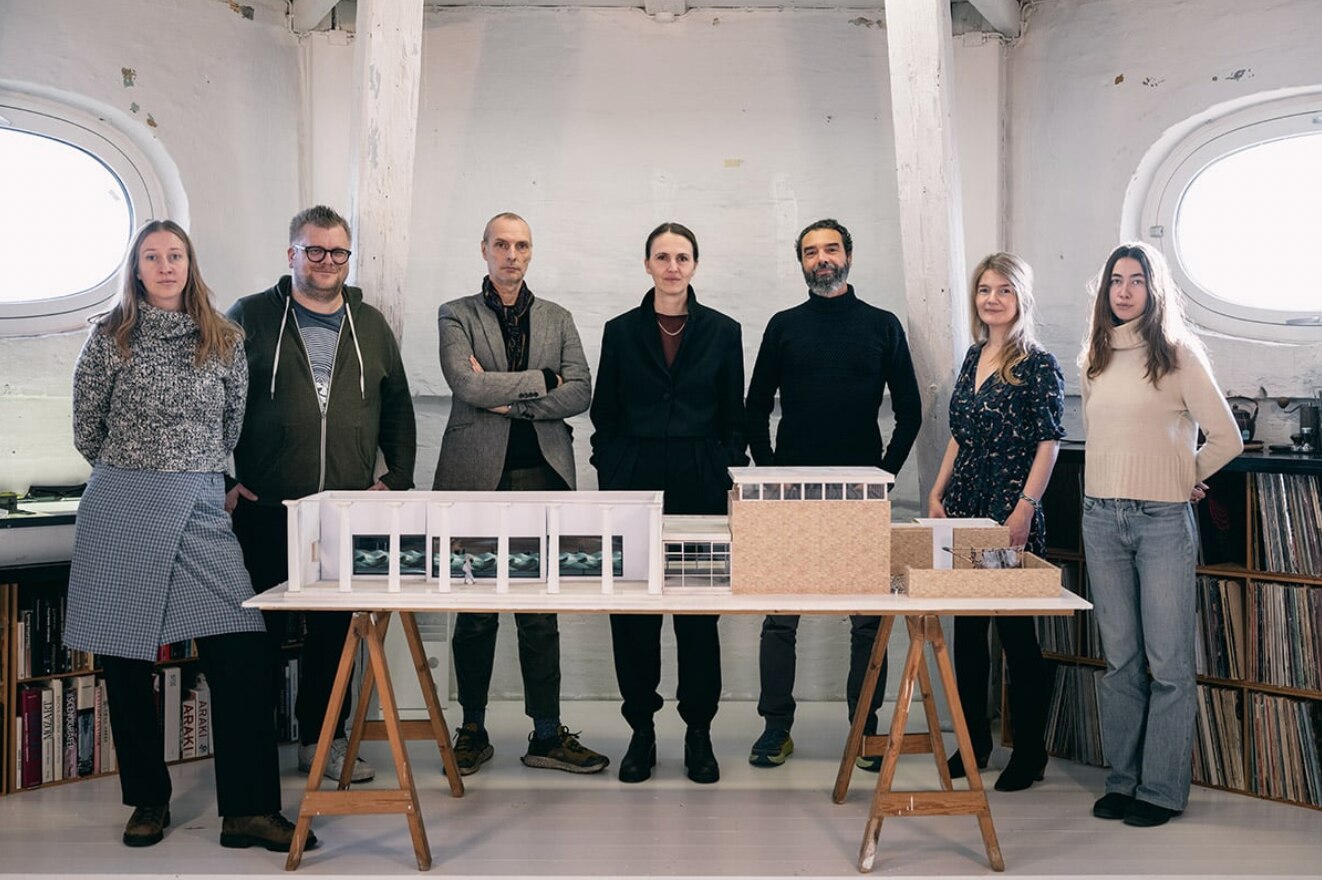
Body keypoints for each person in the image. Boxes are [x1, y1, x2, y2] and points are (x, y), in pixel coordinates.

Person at [65, 220, 311, 853]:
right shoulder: (109, 336)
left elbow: (231, 426)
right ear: (136, 268)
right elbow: (87, 429)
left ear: (189, 263)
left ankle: (249, 811)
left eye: (175, 255)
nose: (165, 266)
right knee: (125, 661)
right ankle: (148, 800)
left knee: (242, 650)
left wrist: (188, 469)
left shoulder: (223, 338)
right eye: (152, 256)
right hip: (122, 503)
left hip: (200, 502)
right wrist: (143, 466)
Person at [226, 205, 417, 785]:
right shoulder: (250, 317)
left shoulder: (371, 325)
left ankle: (323, 743)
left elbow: (398, 407)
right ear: (292, 253)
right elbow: (213, 401)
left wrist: (396, 479)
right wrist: (222, 481)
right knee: (256, 638)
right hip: (266, 509)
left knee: (334, 638)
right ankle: (254, 756)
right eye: (314, 250)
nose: (327, 261)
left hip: (344, 512)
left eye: (338, 252)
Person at [433, 212, 608, 776]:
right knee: (475, 613)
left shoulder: (558, 317)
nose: (512, 255)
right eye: (502, 244)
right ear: (484, 249)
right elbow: (466, 383)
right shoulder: (455, 313)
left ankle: (547, 734)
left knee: (539, 614)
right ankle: (472, 729)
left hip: (543, 478)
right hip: (474, 480)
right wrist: (542, 381)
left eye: (522, 246)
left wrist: (508, 401)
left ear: (531, 253)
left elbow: (580, 392)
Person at [744, 218, 922, 769]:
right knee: (780, 617)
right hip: (791, 494)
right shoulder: (783, 326)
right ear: (801, 263)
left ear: (848, 256)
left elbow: (911, 410)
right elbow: (755, 408)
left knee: (867, 619)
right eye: (810, 251)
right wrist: (771, 475)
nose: (822, 258)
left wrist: (884, 475)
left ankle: (863, 730)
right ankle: (775, 728)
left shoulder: (882, 325)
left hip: (861, 496)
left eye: (831, 249)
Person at [1079, 242, 1241, 827]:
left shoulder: (1178, 355)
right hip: (1100, 518)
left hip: (1162, 523)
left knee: (1168, 665)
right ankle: (1123, 782)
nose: (1124, 291)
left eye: (1137, 280)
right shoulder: (1094, 357)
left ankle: (1162, 790)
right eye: (1116, 280)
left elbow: (1227, 439)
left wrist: (1183, 476)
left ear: (1154, 290)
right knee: (1120, 662)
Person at [590, 222, 746, 784]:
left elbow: (734, 416)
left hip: (700, 485)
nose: (672, 266)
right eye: (663, 256)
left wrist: (722, 465)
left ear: (695, 265)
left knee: (698, 616)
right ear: (648, 265)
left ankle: (699, 732)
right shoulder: (620, 330)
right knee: (634, 614)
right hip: (633, 485)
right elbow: (604, 412)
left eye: (682, 257)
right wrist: (612, 464)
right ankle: (642, 731)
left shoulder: (724, 331)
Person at [927, 253, 1065, 792]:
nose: (992, 299)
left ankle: (1030, 752)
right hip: (964, 504)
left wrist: (1025, 508)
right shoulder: (973, 355)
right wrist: (937, 490)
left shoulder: (1038, 363)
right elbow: (959, 434)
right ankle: (973, 745)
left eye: (1004, 289)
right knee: (967, 636)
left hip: (1009, 509)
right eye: (984, 289)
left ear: (1021, 297)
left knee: (1015, 635)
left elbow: (1049, 442)